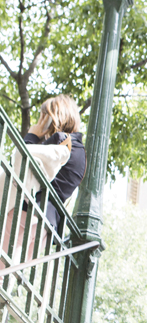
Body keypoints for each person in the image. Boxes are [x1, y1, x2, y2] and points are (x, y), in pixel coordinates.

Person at [23, 95, 86, 233]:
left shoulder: (60, 140)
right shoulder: (80, 151)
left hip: (29, 214)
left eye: (44, 117)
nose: (41, 122)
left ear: (53, 117)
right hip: (48, 222)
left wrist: (32, 136)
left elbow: (23, 161)